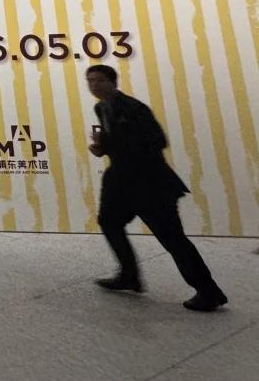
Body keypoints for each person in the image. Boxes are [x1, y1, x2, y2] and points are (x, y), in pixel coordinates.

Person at [85, 64, 227, 311]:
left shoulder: (133, 108)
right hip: (121, 181)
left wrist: (114, 144)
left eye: (99, 80)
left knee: (171, 237)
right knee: (108, 221)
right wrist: (103, 147)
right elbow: (117, 143)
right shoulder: (101, 108)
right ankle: (129, 275)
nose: (94, 85)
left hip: (150, 183)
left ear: (113, 82)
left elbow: (157, 140)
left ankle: (208, 291)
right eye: (90, 81)